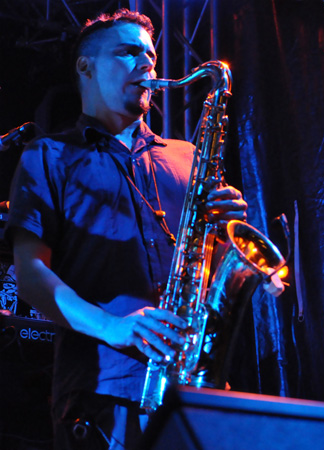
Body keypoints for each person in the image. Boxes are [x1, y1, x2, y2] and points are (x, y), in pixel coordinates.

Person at [5, 9, 248, 450]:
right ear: (86, 67)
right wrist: (114, 327)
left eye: (150, 55)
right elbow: (31, 275)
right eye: (129, 52)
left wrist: (226, 233)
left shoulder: (188, 158)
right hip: (103, 389)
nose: (147, 64)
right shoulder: (47, 156)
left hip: (195, 387)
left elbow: (203, 266)